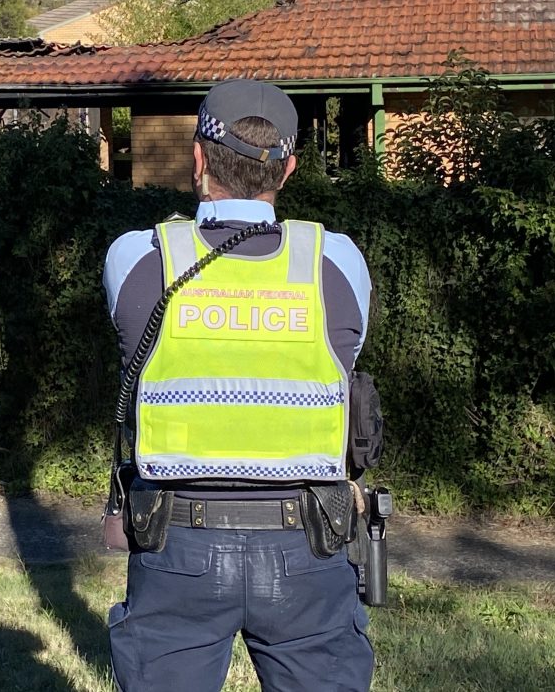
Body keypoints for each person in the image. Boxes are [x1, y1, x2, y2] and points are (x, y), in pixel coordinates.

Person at [103, 79, 375, 691]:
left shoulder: (135, 260)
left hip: (175, 548)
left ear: (198, 158)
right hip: (309, 546)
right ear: (289, 168)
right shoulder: (338, 264)